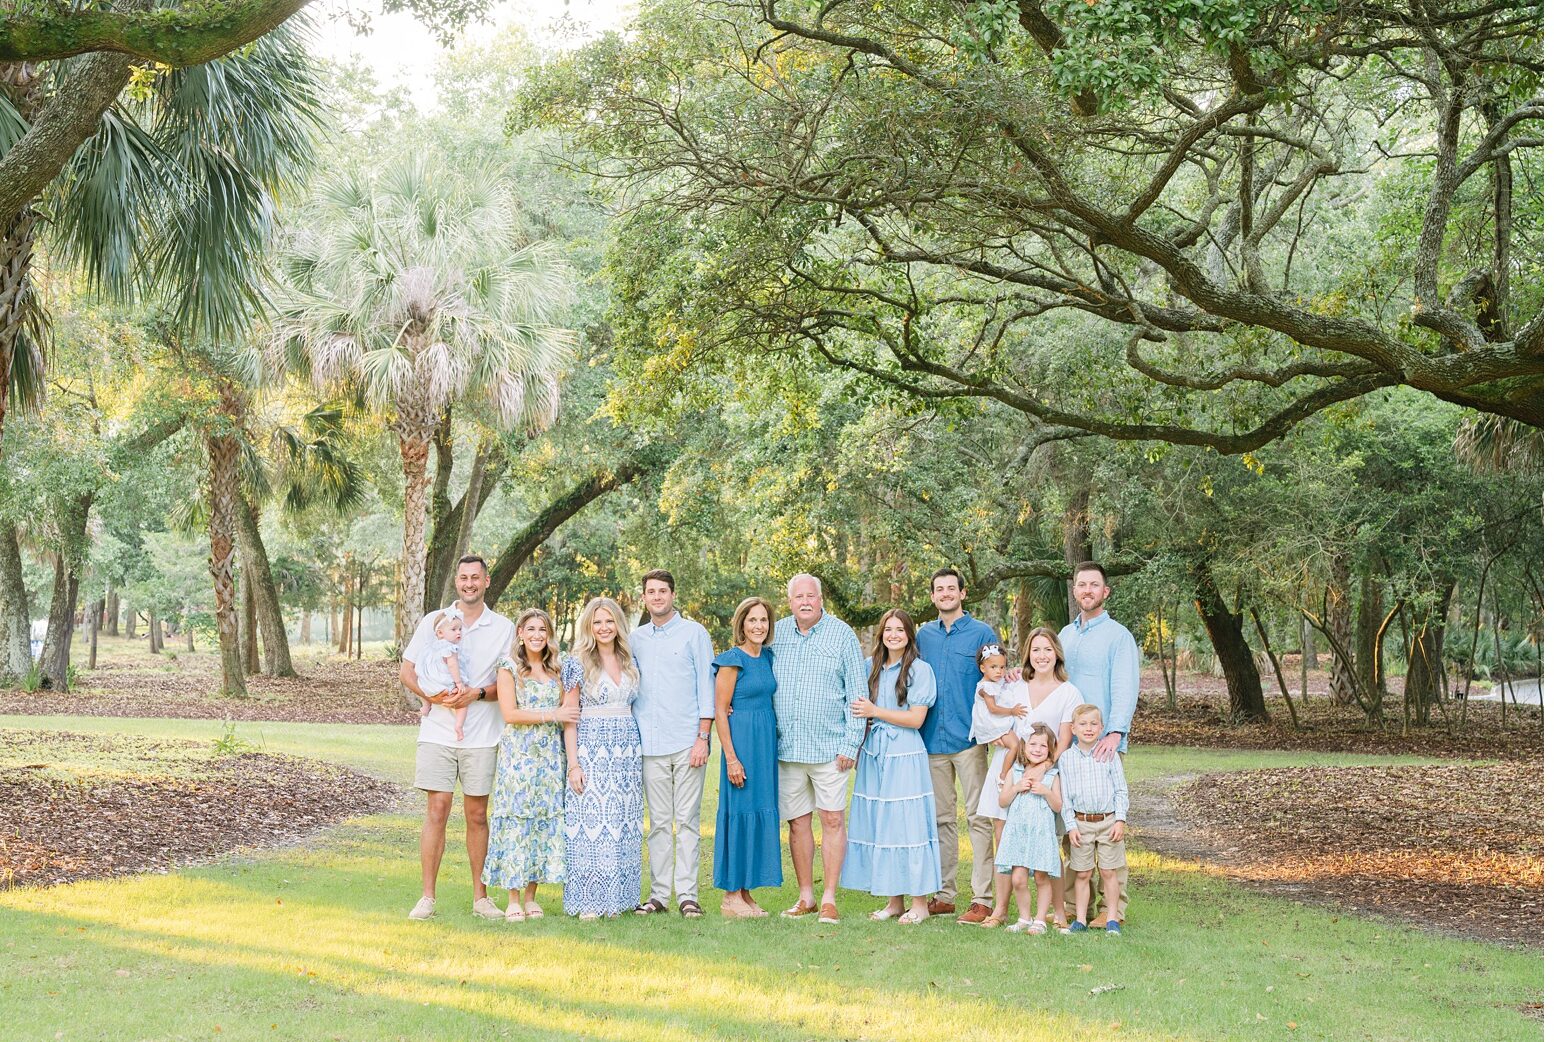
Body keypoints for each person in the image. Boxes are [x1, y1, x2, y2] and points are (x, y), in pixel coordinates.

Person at [399, 556, 516, 921]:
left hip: (481, 735)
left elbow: (508, 683)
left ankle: (481, 898)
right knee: (437, 809)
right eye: (463, 577)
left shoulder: (503, 627)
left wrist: (476, 694)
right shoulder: (434, 622)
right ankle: (427, 898)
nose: (469, 583)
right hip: (437, 732)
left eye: (475, 578)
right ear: (457, 582)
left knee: (477, 814)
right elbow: (407, 671)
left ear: (486, 581)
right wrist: (432, 697)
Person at [769, 573, 868, 925]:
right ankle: (806, 896)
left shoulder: (842, 635)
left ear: (821, 598)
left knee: (832, 819)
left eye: (811, 596)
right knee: (797, 824)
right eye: (799, 597)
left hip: (831, 749)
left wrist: (851, 742)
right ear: (790, 600)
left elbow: (858, 694)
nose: (805, 602)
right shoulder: (775, 633)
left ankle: (829, 898)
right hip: (788, 749)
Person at [840, 609, 941, 924]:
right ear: (881, 633)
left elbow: (915, 718)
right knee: (881, 824)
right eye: (888, 629)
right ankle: (894, 901)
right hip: (873, 753)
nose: (893, 634)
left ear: (910, 634)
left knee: (908, 825)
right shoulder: (868, 667)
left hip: (904, 752)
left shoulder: (919, 670)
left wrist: (876, 710)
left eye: (900, 629)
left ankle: (920, 904)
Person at [481, 609, 580, 921]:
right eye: (531, 629)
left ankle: (531, 896)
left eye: (543, 630)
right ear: (520, 633)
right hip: (519, 758)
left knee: (542, 821)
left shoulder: (558, 669)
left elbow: (570, 712)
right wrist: (551, 715)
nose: (537, 635)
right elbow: (510, 713)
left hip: (550, 758)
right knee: (517, 820)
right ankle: (512, 897)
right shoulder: (508, 668)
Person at [915, 567, 1000, 924]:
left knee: (979, 818)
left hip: (969, 740)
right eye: (940, 589)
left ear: (963, 594)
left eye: (952, 588)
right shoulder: (923, 636)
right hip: (931, 740)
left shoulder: (982, 633)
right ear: (933, 596)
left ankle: (982, 898)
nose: (946, 593)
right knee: (940, 820)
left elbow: (998, 673)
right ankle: (945, 894)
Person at [630, 570, 716, 918]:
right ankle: (659, 895)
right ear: (645, 597)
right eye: (651, 592)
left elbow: (705, 688)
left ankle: (688, 896)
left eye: (663, 591)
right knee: (660, 823)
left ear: (673, 594)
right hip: (650, 745)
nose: (657, 597)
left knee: (688, 821)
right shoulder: (635, 639)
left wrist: (702, 738)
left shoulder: (694, 633)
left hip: (687, 742)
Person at [1058, 561, 1139, 924]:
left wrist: (1116, 733)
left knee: (1108, 834)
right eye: (1081, 585)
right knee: (1074, 828)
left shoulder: (1118, 636)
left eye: (1094, 585)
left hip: (1103, 744)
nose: (1087, 590)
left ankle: (1111, 911)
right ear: (1075, 591)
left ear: (1105, 592)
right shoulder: (1065, 635)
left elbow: (1125, 687)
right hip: (1070, 748)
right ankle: (1077, 909)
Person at [563, 596, 644, 919]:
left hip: (625, 749)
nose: (604, 627)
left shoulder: (630, 660)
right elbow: (570, 716)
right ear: (589, 626)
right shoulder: (577, 662)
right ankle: (589, 901)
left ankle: (617, 899)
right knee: (591, 820)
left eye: (609, 621)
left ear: (618, 625)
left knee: (622, 822)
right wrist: (573, 763)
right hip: (592, 746)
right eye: (597, 622)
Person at [712, 596, 783, 917]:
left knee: (757, 811)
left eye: (763, 620)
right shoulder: (731, 660)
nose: (758, 626)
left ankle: (745, 892)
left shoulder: (767, 657)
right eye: (752, 620)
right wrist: (731, 758)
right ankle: (730, 896)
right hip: (741, 743)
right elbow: (720, 710)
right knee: (739, 813)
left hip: (764, 745)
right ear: (741, 624)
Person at [968, 641, 1031, 928]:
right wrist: (1013, 712)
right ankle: (1000, 908)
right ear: (982, 668)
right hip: (995, 728)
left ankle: (1026, 906)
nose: (1000, 671)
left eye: (1002, 667)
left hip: (1007, 736)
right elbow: (994, 707)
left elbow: (1008, 684)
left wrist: (1011, 674)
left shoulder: (1007, 681)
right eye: (994, 667)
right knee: (999, 829)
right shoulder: (986, 687)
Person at [1059, 704, 1129, 937]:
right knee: (1082, 872)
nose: (1088, 729)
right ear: (1073, 728)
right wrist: (1070, 826)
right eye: (1083, 724)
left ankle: (1111, 918)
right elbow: (1065, 796)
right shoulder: (1067, 758)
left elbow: (1120, 790)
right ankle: (1079, 918)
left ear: (1101, 728)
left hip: (1108, 821)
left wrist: (1120, 820)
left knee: (1109, 871)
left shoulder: (1109, 754)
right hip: (1081, 823)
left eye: (1093, 724)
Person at [995, 725, 1066, 935]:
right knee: (1018, 878)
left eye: (1043, 745)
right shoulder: (1015, 773)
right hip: (1018, 834)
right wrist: (1016, 788)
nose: (1037, 749)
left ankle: (1041, 920)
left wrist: (1045, 791)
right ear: (1024, 747)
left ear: (1050, 749)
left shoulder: (1052, 775)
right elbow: (1002, 801)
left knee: (1042, 878)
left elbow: (1058, 806)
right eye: (1032, 744)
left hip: (1041, 834)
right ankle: (1024, 917)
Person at [416, 609, 471, 741]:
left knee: (425, 689)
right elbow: (452, 665)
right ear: (440, 633)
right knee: (462, 702)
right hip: (445, 682)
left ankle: (426, 705)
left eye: (459, 629)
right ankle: (459, 725)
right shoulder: (450, 648)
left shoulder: (432, 646)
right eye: (454, 630)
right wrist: (458, 682)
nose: (458, 632)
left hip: (430, 682)